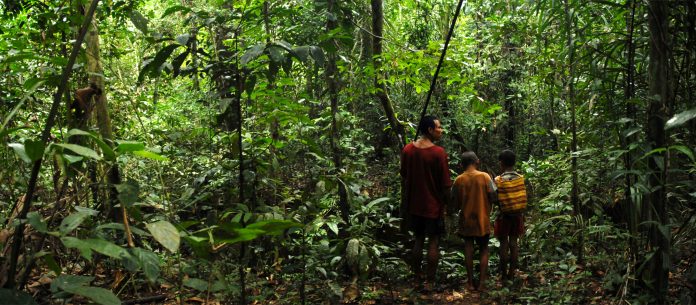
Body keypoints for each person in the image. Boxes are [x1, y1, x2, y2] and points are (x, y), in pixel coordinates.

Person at [400, 115, 451, 291]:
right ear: (430, 130)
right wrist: (447, 204)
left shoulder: (407, 150)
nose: (441, 130)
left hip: (414, 205)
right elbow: (445, 184)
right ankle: (429, 281)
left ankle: (416, 277)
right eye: (439, 127)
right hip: (433, 206)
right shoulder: (438, 153)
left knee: (418, 240)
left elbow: (404, 174)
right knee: (433, 242)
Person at [452, 151, 496, 291]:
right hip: (483, 220)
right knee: (484, 249)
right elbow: (494, 195)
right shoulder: (485, 176)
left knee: (468, 249)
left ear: (462, 164)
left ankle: (470, 283)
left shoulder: (458, 180)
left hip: (466, 221)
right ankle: (482, 283)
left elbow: (454, 203)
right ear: (476, 161)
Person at [494, 149, 527, 284]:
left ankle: (503, 276)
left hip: (504, 216)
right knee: (514, 244)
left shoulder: (498, 180)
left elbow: (495, 198)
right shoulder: (521, 178)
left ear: (501, 163)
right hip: (517, 215)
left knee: (503, 245)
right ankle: (512, 274)